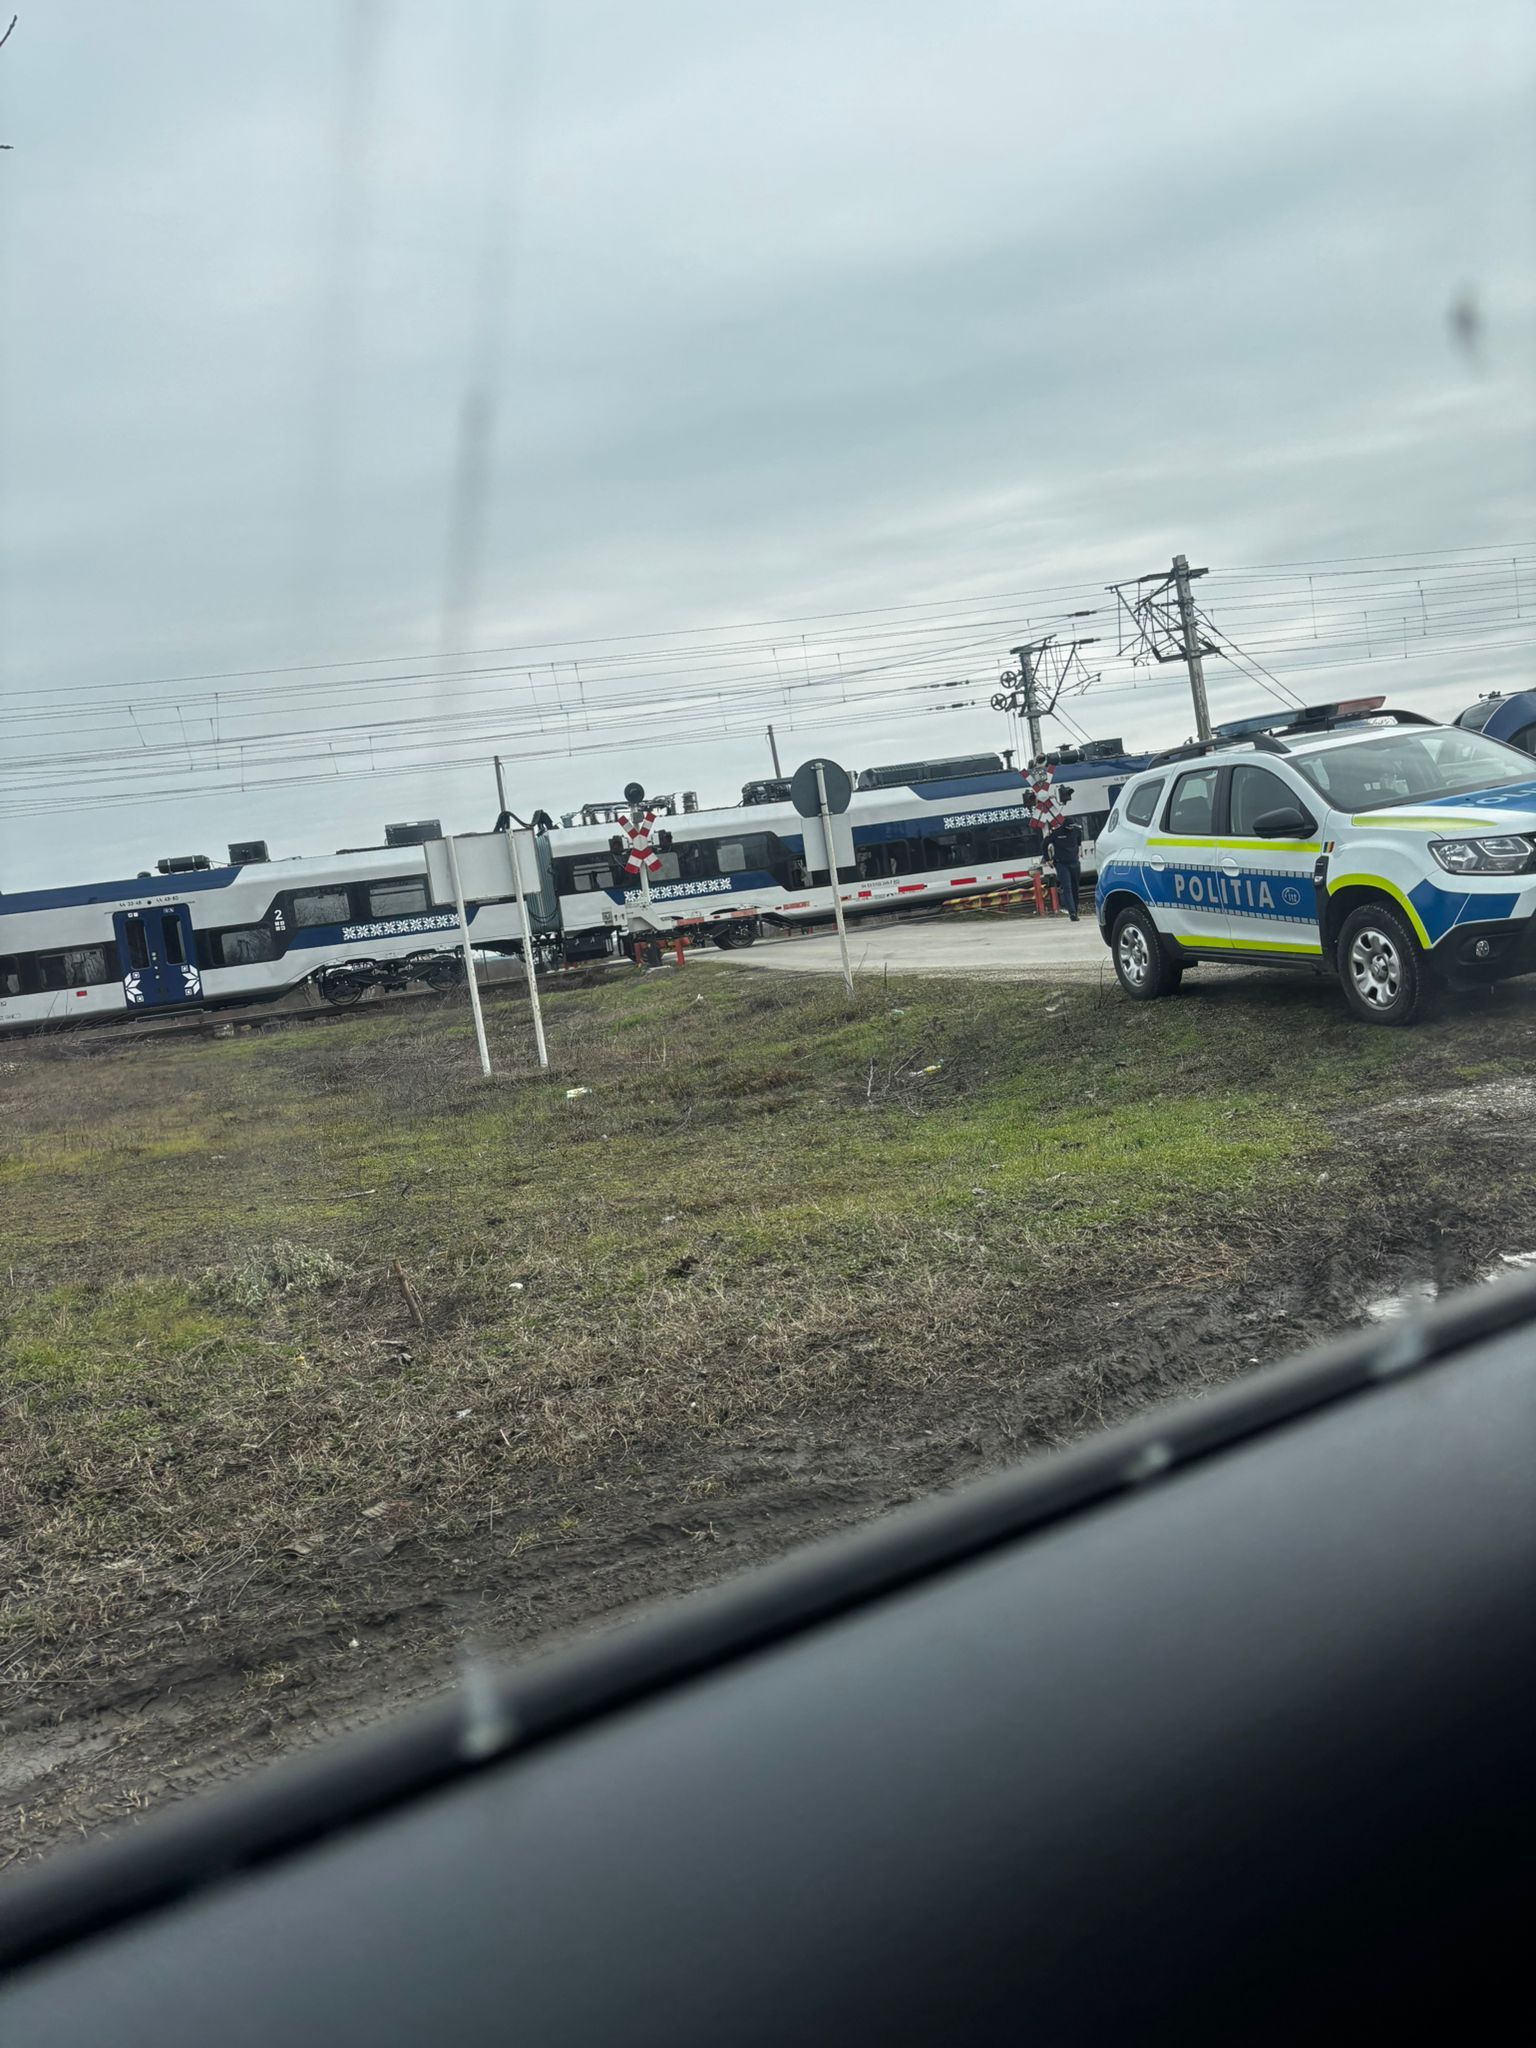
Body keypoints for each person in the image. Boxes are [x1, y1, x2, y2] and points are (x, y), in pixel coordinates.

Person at [1043, 793, 1084, 920]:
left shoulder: (1077, 831)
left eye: (1072, 827)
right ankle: (1072, 913)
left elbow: (1079, 843)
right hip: (1061, 864)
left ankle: (1075, 910)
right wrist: (1048, 859)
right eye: (1069, 828)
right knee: (1067, 888)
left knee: (1075, 888)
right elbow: (1044, 844)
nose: (1071, 829)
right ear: (1065, 826)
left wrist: (1079, 853)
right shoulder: (1056, 832)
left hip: (1074, 863)